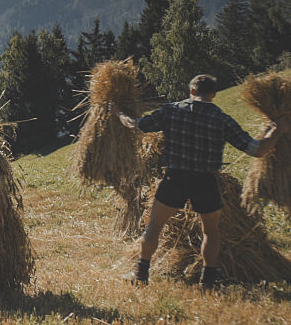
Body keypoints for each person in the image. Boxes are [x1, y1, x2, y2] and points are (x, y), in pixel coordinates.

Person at [110, 74, 288, 287]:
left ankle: (141, 273)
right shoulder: (222, 119)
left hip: (176, 178)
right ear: (213, 94)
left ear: (192, 91)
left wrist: (118, 112)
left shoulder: (172, 111)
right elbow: (256, 149)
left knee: (154, 226)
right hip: (206, 181)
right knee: (211, 232)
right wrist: (276, 129)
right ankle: (208, 279)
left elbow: (135, 125)